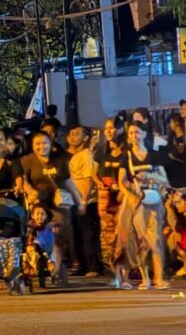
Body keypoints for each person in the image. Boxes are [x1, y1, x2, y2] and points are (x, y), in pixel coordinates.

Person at [23, 132, 84, 284]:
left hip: (59, 206)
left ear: (50, 144)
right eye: (37, 144)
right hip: (39, 207)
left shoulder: (60, 160)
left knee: (57, 238)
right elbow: (23, 181)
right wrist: (31, 191)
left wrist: (80, 201)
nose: (41, 147)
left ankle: (55, 268)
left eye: (44, 143)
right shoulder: (28, 161)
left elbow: (69, 182)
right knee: (39, 238)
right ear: (32, 145)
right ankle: (40, 264)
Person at [119, 121, 170, 290]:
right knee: (142, 241)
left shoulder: (154, 155)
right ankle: (145, 278)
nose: (134, 136)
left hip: (154, 200)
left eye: (137, 132)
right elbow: (121, 182)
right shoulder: (126, 156)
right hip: (138, 201)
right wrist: (131, 197)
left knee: (155, 240)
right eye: (131, 133)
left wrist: (150, 175)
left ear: (144, 134)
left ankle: (159, 278)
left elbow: (165, 180)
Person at [66, 125, 101, 277]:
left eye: (76, 134)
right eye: (71, 133)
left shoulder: (87, 155)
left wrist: (84, 201)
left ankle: (94, 267)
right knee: (77, 234)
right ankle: (82, 265)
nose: (72, 136)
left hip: (86, 201)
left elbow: (88, 180)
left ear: (86, 138)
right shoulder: (76, 156)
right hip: (75, 201)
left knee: (88, 234)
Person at [92, 119, 125, 275]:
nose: (109, 131)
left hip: (122, 194)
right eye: (106, 129)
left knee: (123, 228)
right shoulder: (101, 149)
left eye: (112, 128)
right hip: (105, 194)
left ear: (119, 129)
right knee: (107, 230)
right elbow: (94, 172)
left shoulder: (126, 150)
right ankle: (111, 264)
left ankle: (125, 264)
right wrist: (100, 183)